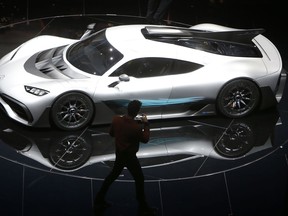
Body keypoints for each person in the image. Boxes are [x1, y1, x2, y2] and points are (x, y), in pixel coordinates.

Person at [94, 100, 155, 215]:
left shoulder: (116, 120)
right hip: (130, 156)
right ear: (136, 112)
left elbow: (111, 133)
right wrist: (146, 124)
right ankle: (143, 206)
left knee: (112, 176)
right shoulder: (136, 127)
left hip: (120, 153)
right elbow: (145, 139)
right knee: (139, 179)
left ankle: (99, 199)